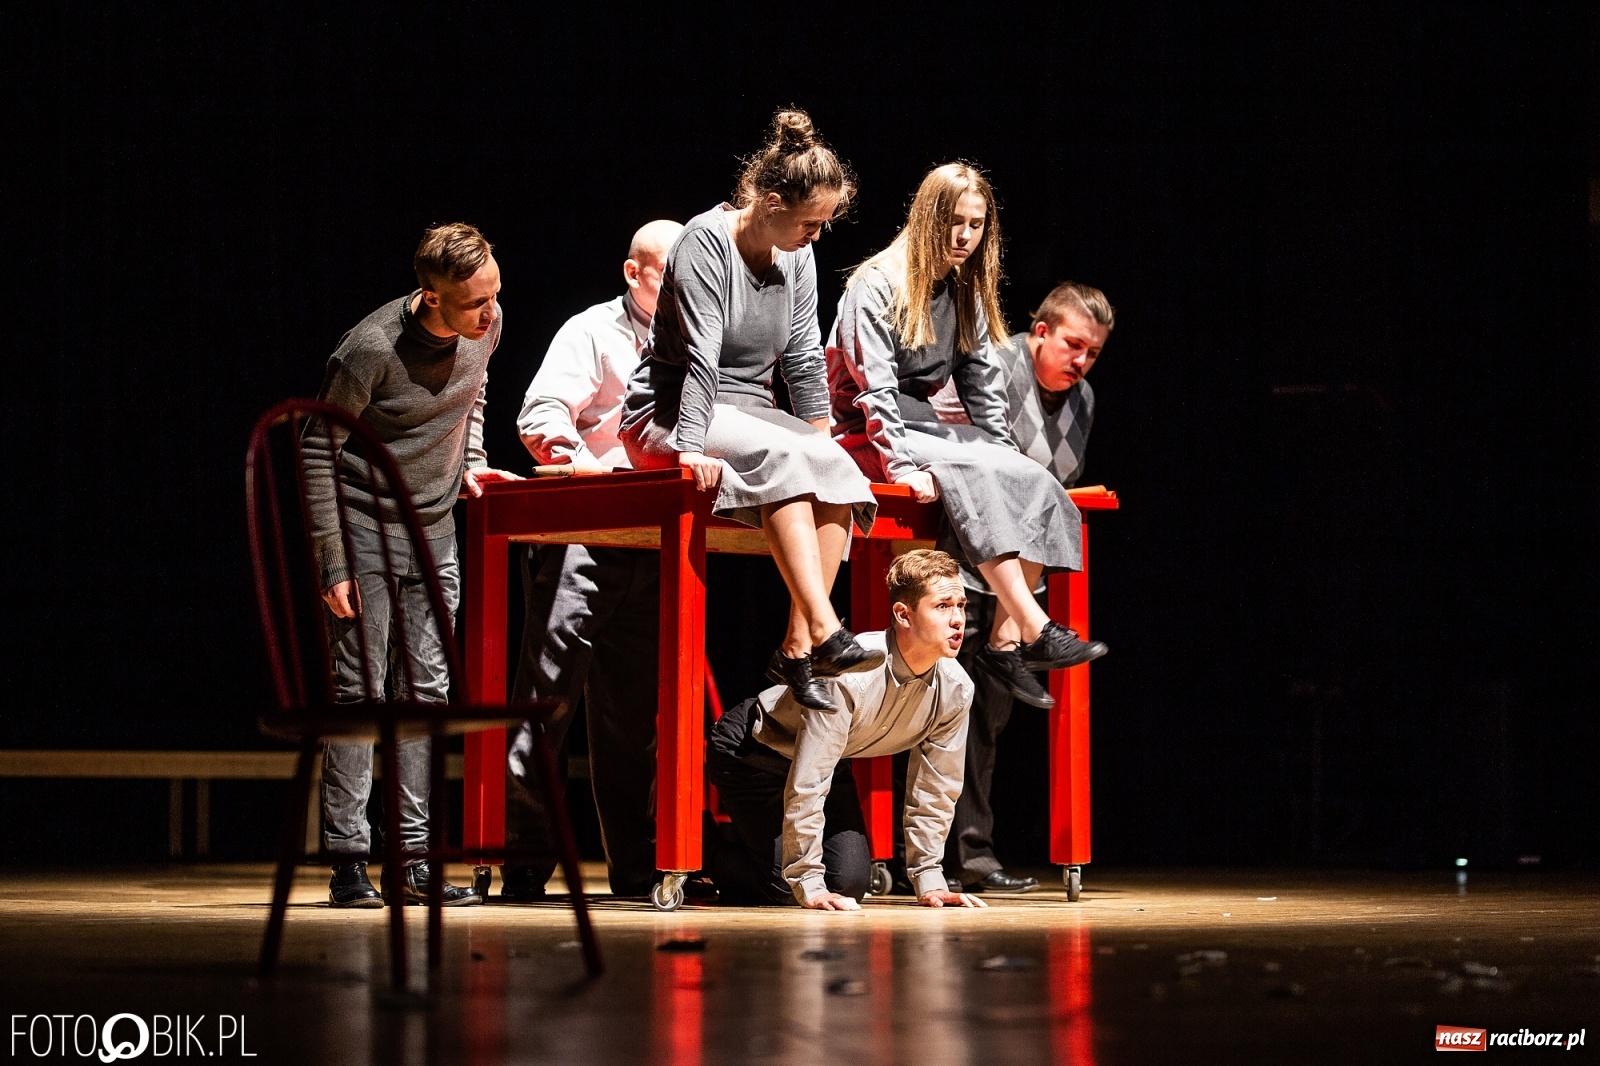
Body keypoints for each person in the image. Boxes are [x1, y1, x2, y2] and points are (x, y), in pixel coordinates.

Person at [619, 109, 881, 713]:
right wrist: (686, 445)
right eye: (810, 222)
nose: (817, 235)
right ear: (768, 201)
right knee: (788, 456)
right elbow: (701, 357)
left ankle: (795, 647)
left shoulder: (796, 256)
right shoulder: (703, 243)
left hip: (748, 413)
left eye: (824, 223)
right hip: (669, 407)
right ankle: (824, 628)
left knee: (831, 462)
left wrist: (824, 439)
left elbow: (804, 358)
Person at [827, 163, 1109, 708]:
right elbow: (873, 395)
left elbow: (981, 384)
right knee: (976, 468)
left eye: (976, 225)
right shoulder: (876, 282)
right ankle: (1033, 626)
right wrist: (902, 466)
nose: (964, 236)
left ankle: (1009, 645)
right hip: (866, 431)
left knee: (1026, 473)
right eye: (955, 222)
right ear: (928, 217)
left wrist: (1005, 453)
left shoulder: (964, 289)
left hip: (923, 424)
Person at [303, 222, 521, 908]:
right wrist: (332, 560)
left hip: (435, 536)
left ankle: (417, 862)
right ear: (430, 297)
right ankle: (348, 863)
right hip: (366, 532)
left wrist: (473, 463)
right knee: (361, 699)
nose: (490, 314)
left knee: (426, 697)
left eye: (495, 295)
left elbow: (475, 392)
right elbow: (315, 451)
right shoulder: (369, 350)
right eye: (473, 303)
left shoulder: (487, 323)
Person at [500, 219, 683, 901]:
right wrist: (581, 467)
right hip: (586, 532)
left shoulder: (694, 339)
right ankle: (523, 864)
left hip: (654, 534)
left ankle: (635, 870)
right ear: (634, 275)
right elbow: (541, 411)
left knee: (634, 718)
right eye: (669, 273)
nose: (682, 289)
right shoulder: (591, 332)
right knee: (546, 701)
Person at [934, 281, 1114, 893]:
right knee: (943, 708)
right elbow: (983, 466)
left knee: (989, 718)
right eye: (1072, 345)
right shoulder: (998, 365)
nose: (1081, 361)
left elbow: (1055, 485)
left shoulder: (1083, 398)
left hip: (1017, 580)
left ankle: (973, 857)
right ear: (1039, 331)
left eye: (1092, 352)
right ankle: (925, 857)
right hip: (961, 556)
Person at [708, 549, 985, 910]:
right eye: (943, 606)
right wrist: (805, 877)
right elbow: (810, 778)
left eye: (961, 606)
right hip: (753, 751)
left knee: (850, 883)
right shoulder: (851, 673)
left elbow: (937, 787)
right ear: (903, 614)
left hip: (827, 763)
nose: (958, 620)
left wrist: (929, 879)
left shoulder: (956, 688)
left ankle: (756, 843)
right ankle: (691, 843)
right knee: (788, 888)